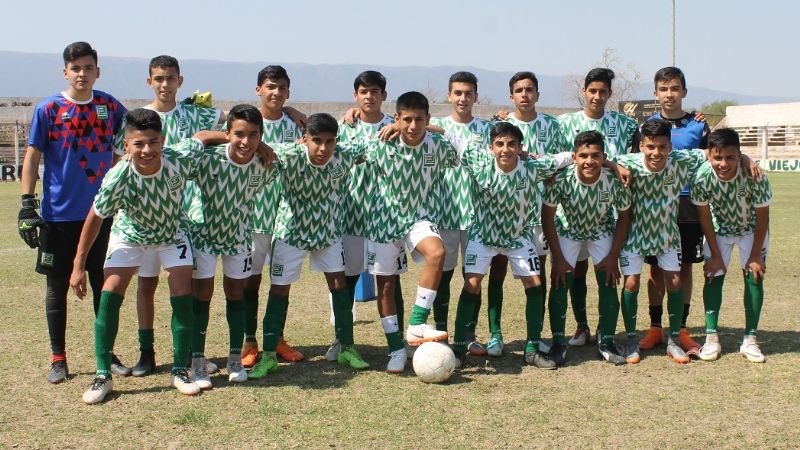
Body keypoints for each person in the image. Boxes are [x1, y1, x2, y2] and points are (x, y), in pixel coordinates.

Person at [70, 108, 215, 404]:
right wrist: (78, 265)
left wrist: (239, 138)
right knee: (111, 291)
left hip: (172, 233)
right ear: (126, 146)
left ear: (162, 141)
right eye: (139, 144)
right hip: (131, 235)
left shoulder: (178, 157)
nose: (147, 150)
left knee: (181, 287)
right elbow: (95, 217)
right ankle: (102, 375)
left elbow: (201, 137)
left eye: (153, 142)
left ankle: (179, 370)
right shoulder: (118, 176)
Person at [18, 41, 128, 384]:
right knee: (56, 288)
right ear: (65, 72)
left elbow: (136, 137)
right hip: (57, 216)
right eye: (75, 68)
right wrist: (26, 202)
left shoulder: (110, 107)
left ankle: (106, 354)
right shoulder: (48, 109)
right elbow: (33, 157)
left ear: (97, 71)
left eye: (88, 67)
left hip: (100, 213)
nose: (82, 73)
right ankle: (58, 358)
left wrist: (114, 169)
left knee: (103, 286)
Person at [122, 55, 224, 377]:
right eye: (158, 78)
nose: (164, 84)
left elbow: (233, 121)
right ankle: (146, 353)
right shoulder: (138, 118)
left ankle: (194, 354)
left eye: (170, 78)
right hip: (148, 215)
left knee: (187, 284)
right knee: (147, 284)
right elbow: (122, 160)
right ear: (149, 81)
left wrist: (290, 113)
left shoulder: (196, 113)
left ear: (181, 80)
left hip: (189, 215)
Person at [248, 113, 371, 378]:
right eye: (316, 141)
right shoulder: (288, 155)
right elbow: (255, 146)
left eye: (329, 141)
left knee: (339, 285)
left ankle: (347, 347)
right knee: (279, 289)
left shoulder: (344, 154)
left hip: (327, 233)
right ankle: (268, 354)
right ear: (304, 140)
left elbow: (373, 145)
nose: (323, 148)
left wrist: (396, 125)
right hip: (290, 233)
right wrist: (261, 146)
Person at [451, 122, 572, 369]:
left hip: (518, 238)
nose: (505, 149)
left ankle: (532, 348)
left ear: (520, 148)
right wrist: (402, 126)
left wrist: (610, 164)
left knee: (535, 283)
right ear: (491, 148)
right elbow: (450, 135)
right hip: (483, 236)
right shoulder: (478, 161)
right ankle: (459, 348)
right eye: (500, 144)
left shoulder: (532, 167)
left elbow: (569, 156)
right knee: (472, 283)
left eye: (511, 144)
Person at [363, 91, 456, 373]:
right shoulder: (380, 145)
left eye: (419, 120)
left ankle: (416, 323)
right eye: (407, 120)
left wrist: (432, 129)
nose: (413, 126)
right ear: (396, 119)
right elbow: (347, 155)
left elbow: (458, 146)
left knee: (437, 252)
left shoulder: (437, 145)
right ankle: (395, 349)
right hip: (383, 220)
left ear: (428, 120)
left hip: (420, 218)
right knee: (387, 286)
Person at [187, 105, 274, 389]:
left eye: (253, 135)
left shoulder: (264, 163)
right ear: (227, 134)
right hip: (205, 237)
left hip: (238, 238)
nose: (246, 142)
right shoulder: (209, 159)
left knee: (236, 294)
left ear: (261, 136)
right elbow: (198, 138)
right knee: (202, 296)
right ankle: (197, 362)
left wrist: (266, 147)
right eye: (239, 134)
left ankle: (235, 359)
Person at [326, 71, 405, 362]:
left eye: (374, 91)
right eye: (363, 91)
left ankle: (398, 340)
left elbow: (423, 130)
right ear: (355, 95)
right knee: (345, 280)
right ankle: (342, 339)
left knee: (390, 280)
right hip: (350, 213)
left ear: (384, 95)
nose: (368, 96)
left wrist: (401, 125)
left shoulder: (396, 126)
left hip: (388, 216)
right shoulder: (342, 127)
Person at [557, 68, 639, 347]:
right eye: (593, 91)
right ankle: (581, 326)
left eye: (603, 91)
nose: (597, 96)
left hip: (612, 209)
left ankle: (606, 327)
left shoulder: (624, 124)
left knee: (607, 270)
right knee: (576, 271)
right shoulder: (564, 123)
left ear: (609, 94)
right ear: (584, 92)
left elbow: (644, 148)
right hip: (574, 209)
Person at [541, 130, 631, 366]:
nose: (589, 161)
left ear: (603, 157)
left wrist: (613, 256)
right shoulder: (561, 179)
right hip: (568, 230)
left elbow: (624, 216)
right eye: (583, 155)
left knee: (609, 278)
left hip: (600, 231)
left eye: (595, 155)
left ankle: (607, 341)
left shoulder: (613, 180)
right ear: (574, 157)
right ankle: (559, 342)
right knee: (561, 279)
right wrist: (558, 257)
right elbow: (547, 217)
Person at [494, 71, 568, 357]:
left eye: (530, 89)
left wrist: (549, 171)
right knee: (498, 271)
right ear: (511, 96)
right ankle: (495, 335)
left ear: (538, 94)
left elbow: (564, 159)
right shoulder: (502, 126)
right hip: (507, 214)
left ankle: (535, 337)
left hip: (542, 213)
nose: (524, 94)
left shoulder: (552, 125)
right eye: (519, 90)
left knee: (538, 275)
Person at [639, 67, 709, 356]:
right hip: (655, 204)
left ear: (684, 92)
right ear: (655, 93)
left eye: (675, 88)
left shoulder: (698, 125)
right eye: (664, 89)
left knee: (685, 267)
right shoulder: (646, 126)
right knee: (656, 267)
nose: (670, 94)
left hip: (688, 204)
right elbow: (636, 162)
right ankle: (655, 327)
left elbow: (711, 159)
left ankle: (680, 328)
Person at [240, 65, 306, 368]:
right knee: (249, 281)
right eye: (270, 86)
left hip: (288, 216)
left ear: (288, 92)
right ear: (258, 90)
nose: (276, 93)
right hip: (254, 216)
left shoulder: (297, 125)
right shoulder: (246, 124)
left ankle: (275, 337)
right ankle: (248, 341)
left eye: (281, 88)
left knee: (282, 282)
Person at [692, 128, 771, 363]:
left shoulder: (755, 175)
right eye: (717, 157)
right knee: (713, 274)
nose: (723, 163)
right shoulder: (702, 176)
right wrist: (715, 255)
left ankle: (750, 339)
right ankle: (711, 337)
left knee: (754, 275)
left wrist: (756, 255)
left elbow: (763, 217)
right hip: (719, 230)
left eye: (730, 157)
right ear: (710, 156)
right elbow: (705, 217)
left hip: (751, 230)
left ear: (739, 155)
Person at [429, 71, 491, 355]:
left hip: (477, 218)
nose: (463, 98)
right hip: (443, 215)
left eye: (468, 93)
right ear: (449, 95)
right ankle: (440, 331)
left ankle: (468, 333)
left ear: (476, 96)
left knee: (473, 278)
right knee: (441, 276)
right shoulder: (434, 126)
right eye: (458, 93)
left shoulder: (488, 130)